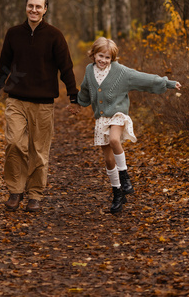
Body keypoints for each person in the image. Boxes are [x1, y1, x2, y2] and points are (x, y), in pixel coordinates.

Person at [0, 0, 78, 213]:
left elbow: (65, 67)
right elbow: (4, 63)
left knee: (39, 150)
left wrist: (73, 95)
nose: (34, 10)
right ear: (26, 7)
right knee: (14, 143)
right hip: (16, 100)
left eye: (38, 7)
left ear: (45, 9)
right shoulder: (13, 34)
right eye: (31, 6)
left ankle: (35, 194)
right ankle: (15, 190)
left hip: (43, 103)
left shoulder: (54, 36)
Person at [77, 37, 181, 214]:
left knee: (114, 140)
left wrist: (167, 83)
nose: (103, 60)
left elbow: (144, 79)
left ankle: (124, 176)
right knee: (108, 160)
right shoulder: (89, 70)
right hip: (101, 118)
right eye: (100, 56)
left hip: (118, 114)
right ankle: (117, 192)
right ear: (93, 54)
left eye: (107, 58)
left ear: (113, 59)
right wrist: (77, 103)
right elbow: (86, 91)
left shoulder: (120, 72)